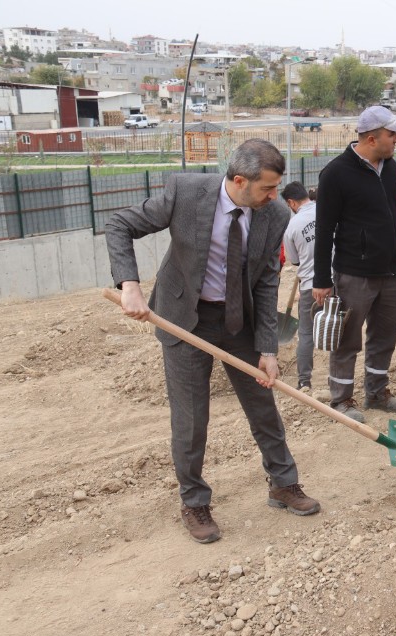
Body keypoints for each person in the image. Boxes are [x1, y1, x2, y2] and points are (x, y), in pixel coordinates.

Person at [105, 138, 320, 544]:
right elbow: (120, 224)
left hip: (239, 320)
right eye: (268, 188)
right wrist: (129, 285)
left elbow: (266, 281)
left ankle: (283, 482)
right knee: (191, 420)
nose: (276, 197)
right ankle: (194, 501)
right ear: (240, 180)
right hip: (185, 320)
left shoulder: (273, 215)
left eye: (277, 189)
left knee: (263, 405)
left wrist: (268, 349)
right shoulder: (186, 193)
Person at [312, 106, 396, 421]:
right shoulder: (335, 174)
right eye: (391, 133)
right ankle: (341, 400)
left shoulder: (391, 167)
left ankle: (377, 392)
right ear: (372, 138)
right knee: (347, 338)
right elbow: (324, 230)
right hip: (354, 274)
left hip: (390, 272)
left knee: (385, 335)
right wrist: (321, 279)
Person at [280, 181, 317, 392]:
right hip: (337, 281)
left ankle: (304, 381)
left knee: (306, 333)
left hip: (310, 285)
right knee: (337, 329)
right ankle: (339, 378)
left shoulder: (292, 227)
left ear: (291, 202)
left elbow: (294, 261)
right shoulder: (327, 211)